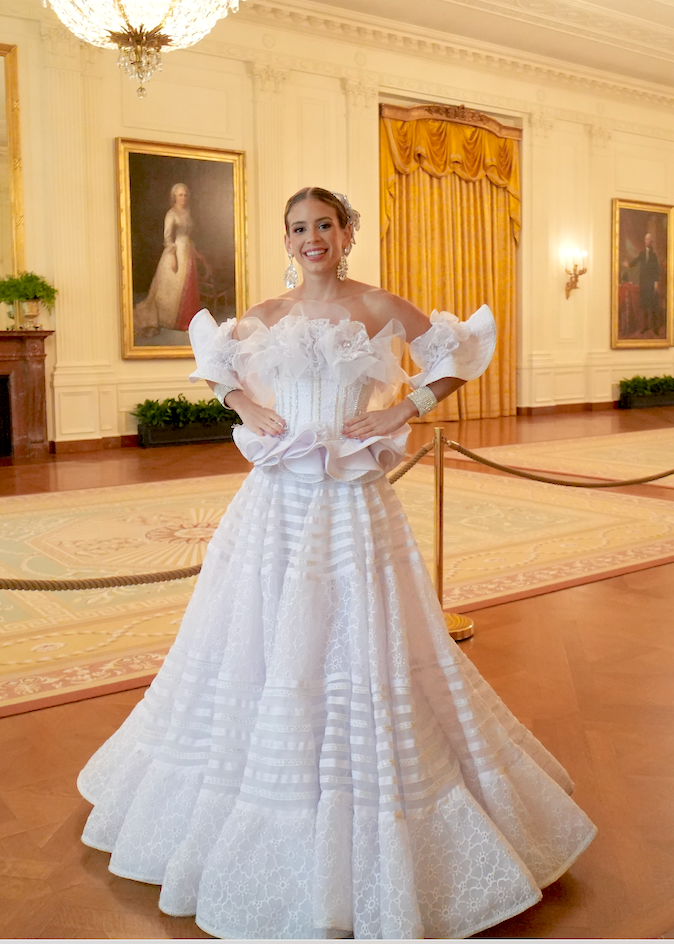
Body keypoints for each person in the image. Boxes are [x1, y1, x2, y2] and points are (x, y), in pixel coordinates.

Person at [78, 186, 596, 939]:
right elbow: (214, 360)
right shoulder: (266, 316)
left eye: (325, 224)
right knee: (258, 643)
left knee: (361, 646)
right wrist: (245, 405)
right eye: (298, 228)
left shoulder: (381, 307)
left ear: (347, 233)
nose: (312, 237)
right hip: (274, 507)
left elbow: (462, 350)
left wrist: (403, 406)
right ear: (286, 240)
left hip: (352, 504)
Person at [134, 182, 204, 338]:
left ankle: (190, 320)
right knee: (173, 288)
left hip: (188, 252)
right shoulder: (171, 214)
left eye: (185, 194)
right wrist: (172, 256)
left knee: (189, 286)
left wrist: (196, 252)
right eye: (180, 195)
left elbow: (189, 237)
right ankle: (174, 321)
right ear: (174, 197)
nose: (183, 198)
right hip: (176, 252)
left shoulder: (187, 212)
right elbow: (167, 237)